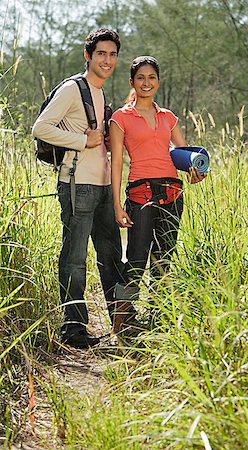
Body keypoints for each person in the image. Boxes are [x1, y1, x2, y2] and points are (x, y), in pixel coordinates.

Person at [32, 29, 125, 349]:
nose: (107, 60)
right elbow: (40, 127)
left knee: (112, 256)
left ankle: (122, 321)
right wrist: (81, 141)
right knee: (74, 259)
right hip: (76, 184)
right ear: (88, 56)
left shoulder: (100, 93)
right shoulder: (74, 89)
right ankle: (73, 330)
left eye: (112, 55)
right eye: (101, 54)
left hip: (101, 186)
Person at [110, 56, 206, 334]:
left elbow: (186, 155)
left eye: (151, 77)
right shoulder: (120, 118)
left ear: (158, 82)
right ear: (132, 82)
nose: (146, 82)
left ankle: (158, 320)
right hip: (140, 193)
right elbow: (117, 162)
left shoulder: (168, 117)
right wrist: (117, 205)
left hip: (172, 192)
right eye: (141, 77)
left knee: (164, 259)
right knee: (137, 258)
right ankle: (121, 325)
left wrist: (197, 172)